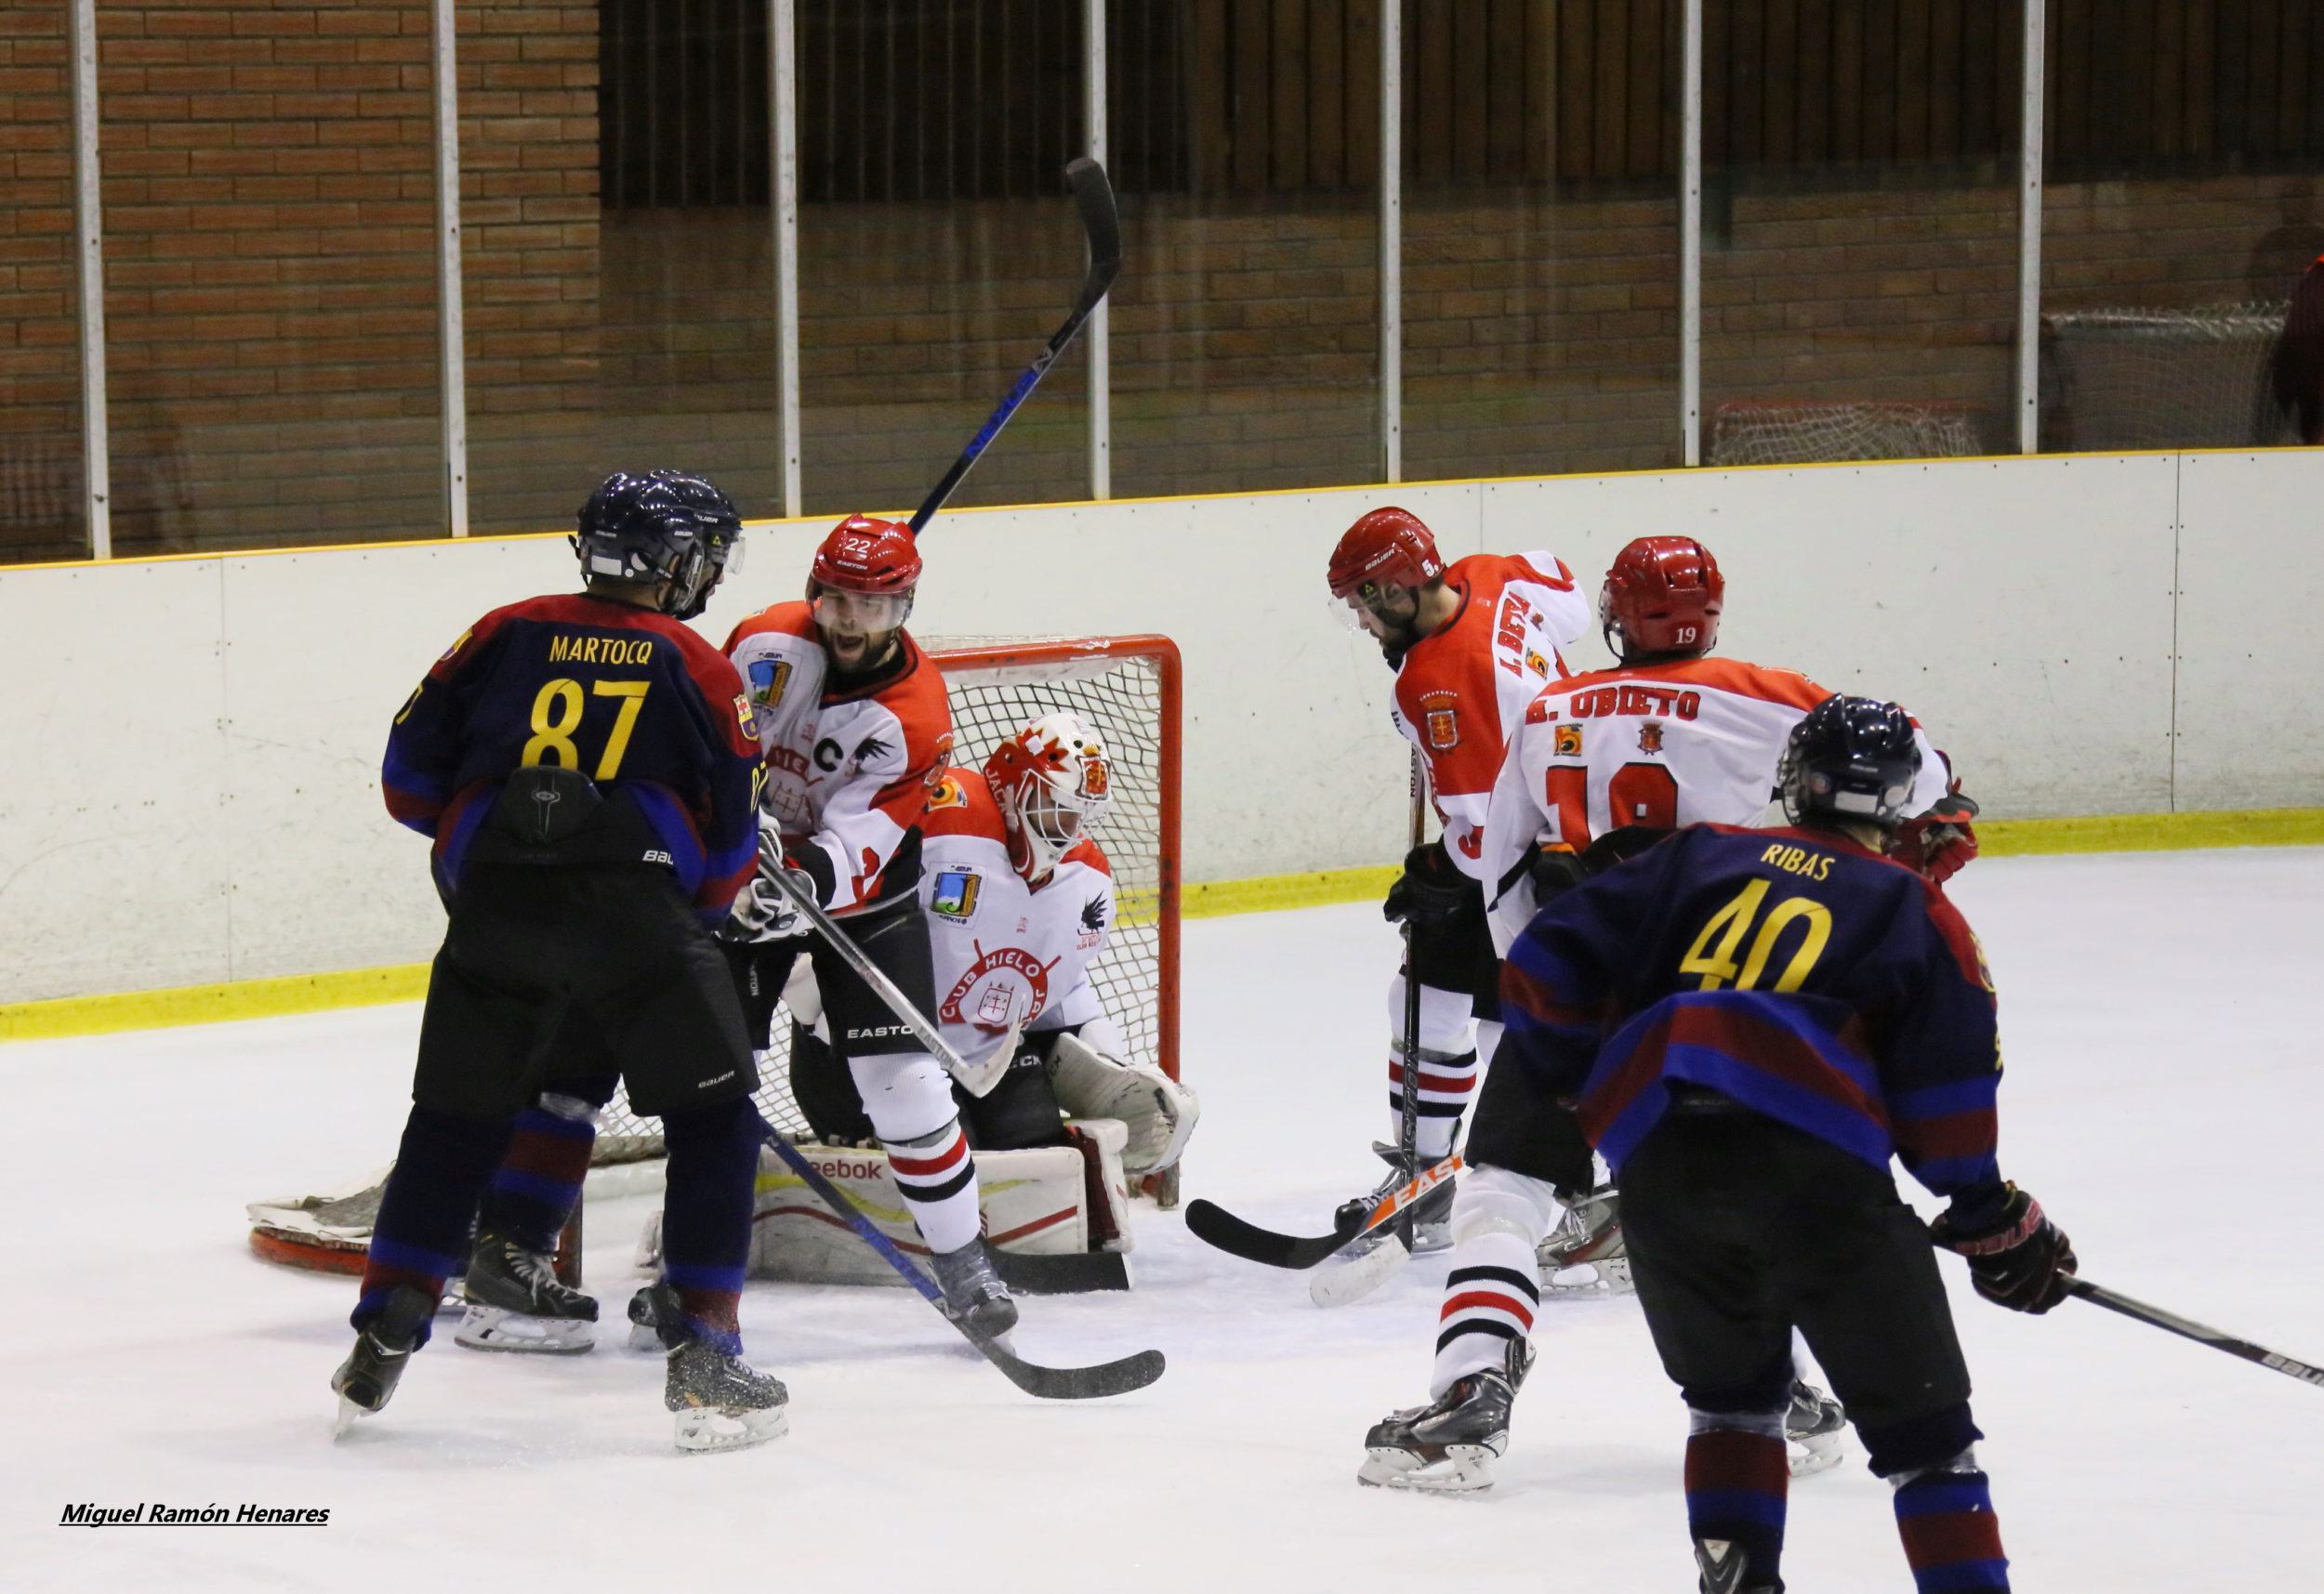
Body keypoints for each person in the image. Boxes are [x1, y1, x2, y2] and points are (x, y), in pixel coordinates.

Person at [1496, 695, 2072, 1593]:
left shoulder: (1694, 855)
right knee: (1929, 1442)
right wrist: (1987, 1212)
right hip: (1816, 1178)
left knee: (1731, 1404)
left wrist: (1584, 1084)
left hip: (1664, 1166)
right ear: (1901, 801)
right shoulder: (1910, 905)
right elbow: (1946, 1088)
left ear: (1795, 779)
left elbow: (1541, 957)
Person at [333, 468, 786, 1454]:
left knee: (453, 1119)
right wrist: (681, 910)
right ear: (675, 563)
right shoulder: (699, 665)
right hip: (637, 921)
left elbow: (408, 779)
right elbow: (729, 850)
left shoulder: (502, 630)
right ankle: (707, 1357)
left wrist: (498, 849)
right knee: (716, 1121)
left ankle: (384, 1330)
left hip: (496, 911)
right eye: (704, 556)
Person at [1473, 536, 1976, 1292]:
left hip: (1586, 957)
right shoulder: (1765, 694)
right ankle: (1776, 1336)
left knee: (1504, 1178)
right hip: (1720, 962)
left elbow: (1502, 865)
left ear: (1618, 613)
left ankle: (1483, 1344)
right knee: (1754, 1149)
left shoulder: (1550, 707)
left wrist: (1532, 971)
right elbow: (1920, 769)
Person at [716, 513, 1019, 1337]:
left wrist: (803, 878)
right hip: (743, 881)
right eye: (838, 599)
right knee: (712, 1085)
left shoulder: (914, 711)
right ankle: (695, 1275)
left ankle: (965, 1266)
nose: (850, 620)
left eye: (874, 605)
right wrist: (732, 829)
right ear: (814, 591)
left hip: (865, 896)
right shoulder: (763, 641)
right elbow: (711, 741)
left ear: (905, 607)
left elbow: (865, 836)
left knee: (905, 1084)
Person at [1325, 506, 1591, 1250]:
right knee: (1434, 1001)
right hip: (1566, 832)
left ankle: (1564, 1187)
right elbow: (1567, 590)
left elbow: (1479, 841)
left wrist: (1433, 874)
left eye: (1364, 605)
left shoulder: (1438, 681)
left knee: (1509, 1027)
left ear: (1396, 590)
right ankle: (1434, 1179)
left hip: (1528, 865)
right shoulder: (1492, 573)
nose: (1364, 623)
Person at [789, 710, 1197, 1176]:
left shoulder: (1086, 881)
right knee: (944, 1157)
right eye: (1055, 805)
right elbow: (831, 901)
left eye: (1078, 813)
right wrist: (819, 1008)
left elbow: (1061, 982)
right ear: (1011, 785)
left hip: (987, 1057)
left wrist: (1109, 1066)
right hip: (869, 1051)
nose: (1067, 828)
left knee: (1038, 1153)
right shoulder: (939, 816)